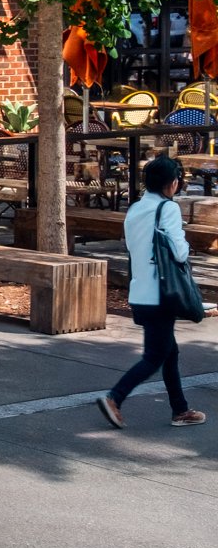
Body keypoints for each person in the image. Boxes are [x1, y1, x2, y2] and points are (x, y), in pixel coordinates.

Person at [98, 155, 207, 429]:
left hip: (141, 292)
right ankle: (115, 397)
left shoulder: (134, 209)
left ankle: (180, 410)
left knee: (169, 352)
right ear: (171, 184)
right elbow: (179, 253)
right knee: (155, 356)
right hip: (162, 294)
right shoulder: (167, 209)